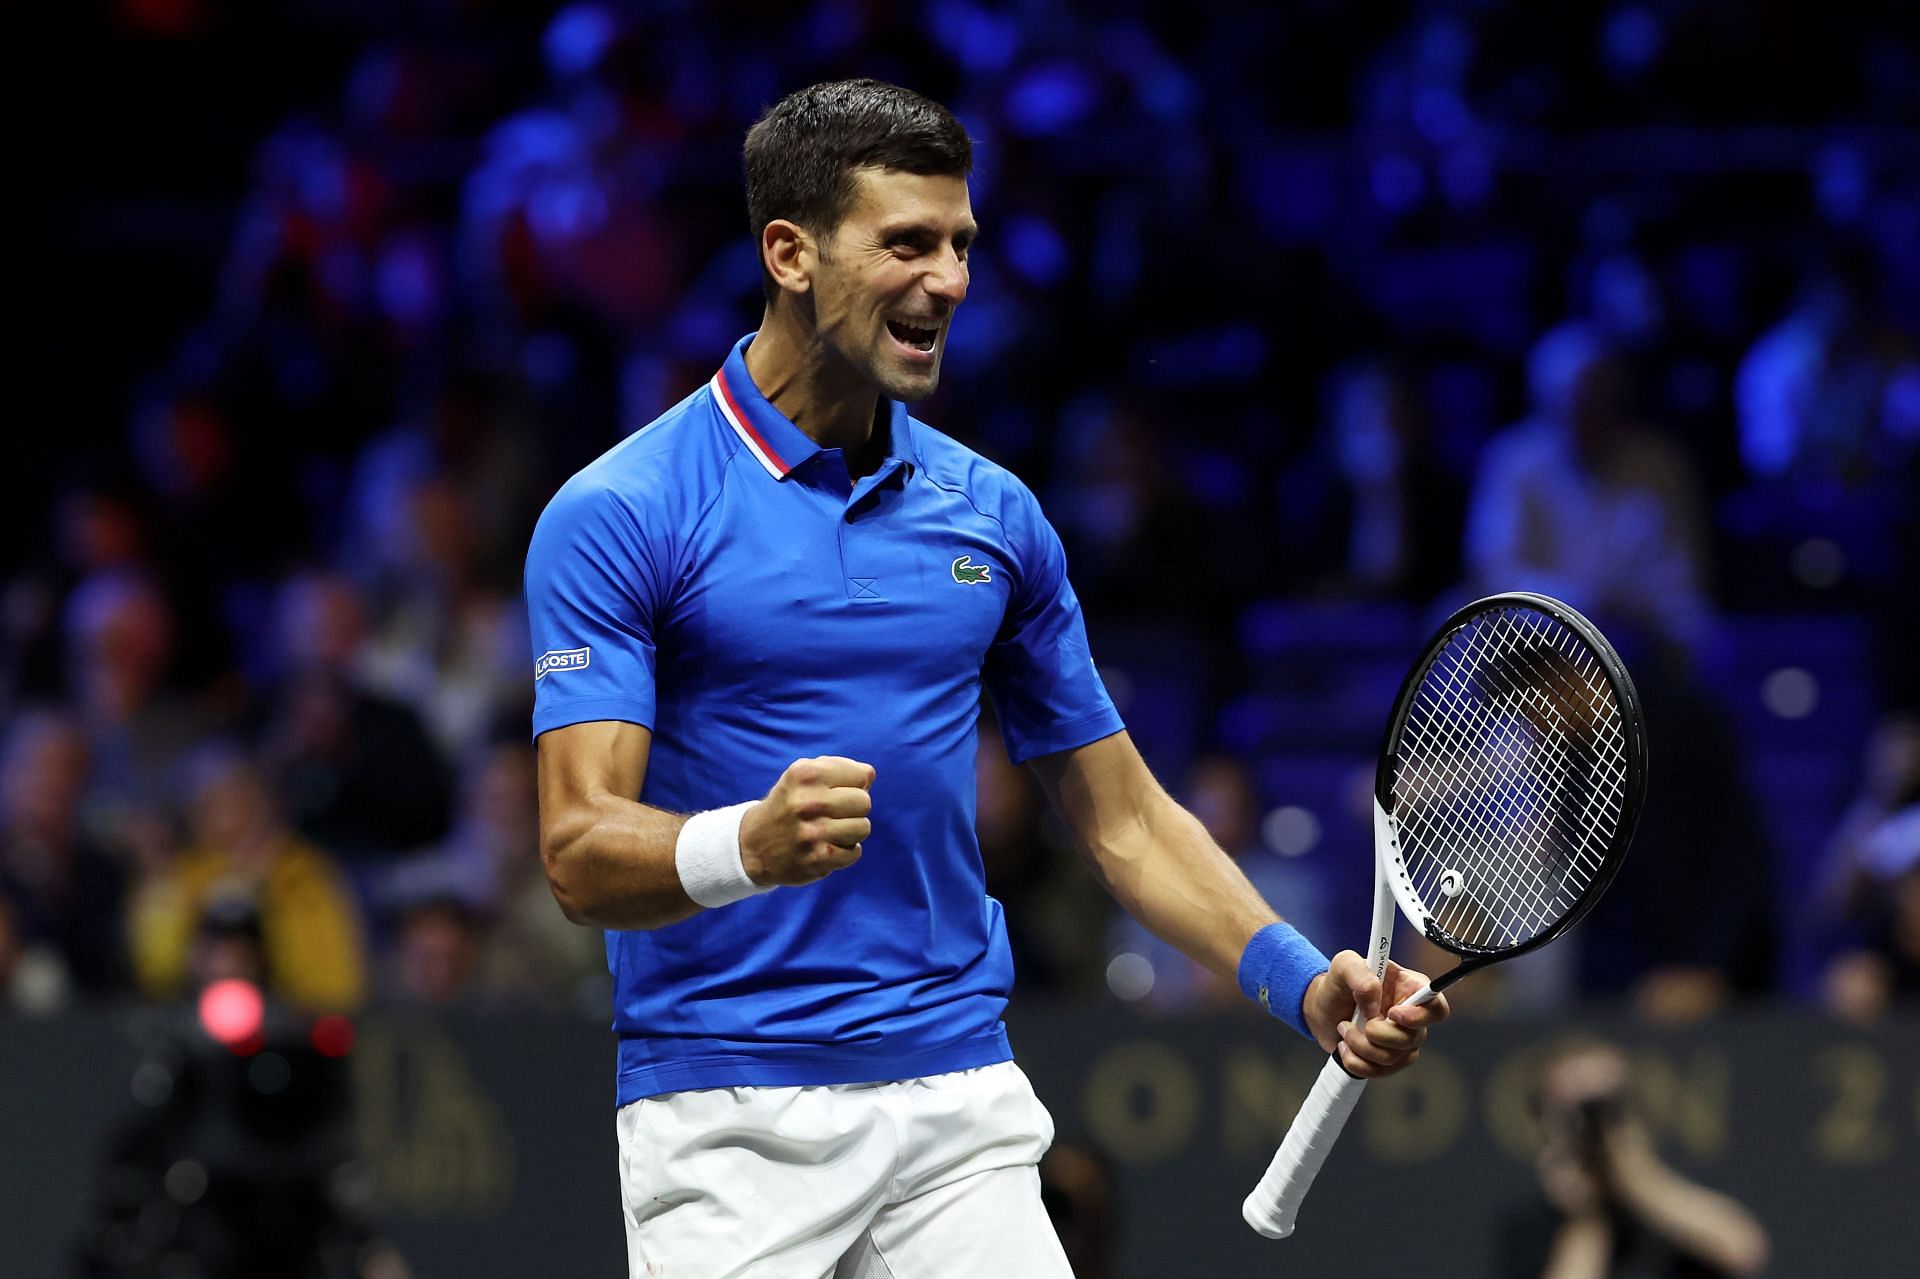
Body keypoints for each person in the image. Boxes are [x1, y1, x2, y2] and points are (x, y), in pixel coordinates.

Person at [526, 78, 1450, 1279]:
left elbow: (1120, 815)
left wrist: (1295, 977)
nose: (950, 282)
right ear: (790, 253)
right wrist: (745, 844)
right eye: (906, 243)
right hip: (729, 1113)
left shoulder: (994, 515)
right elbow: (578, 849)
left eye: (961, 245)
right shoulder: (620, 514)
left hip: (958, 1106)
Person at [1498, 1038, 1768, 1279]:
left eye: (1606, 1105)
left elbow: (1743, 1253)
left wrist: (1637, 1178)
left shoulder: (1680, 1197)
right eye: (1574, 1109)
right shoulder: (1530, 1225)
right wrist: (1585, 1215)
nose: (1593, 1124)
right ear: (1545, 1118)